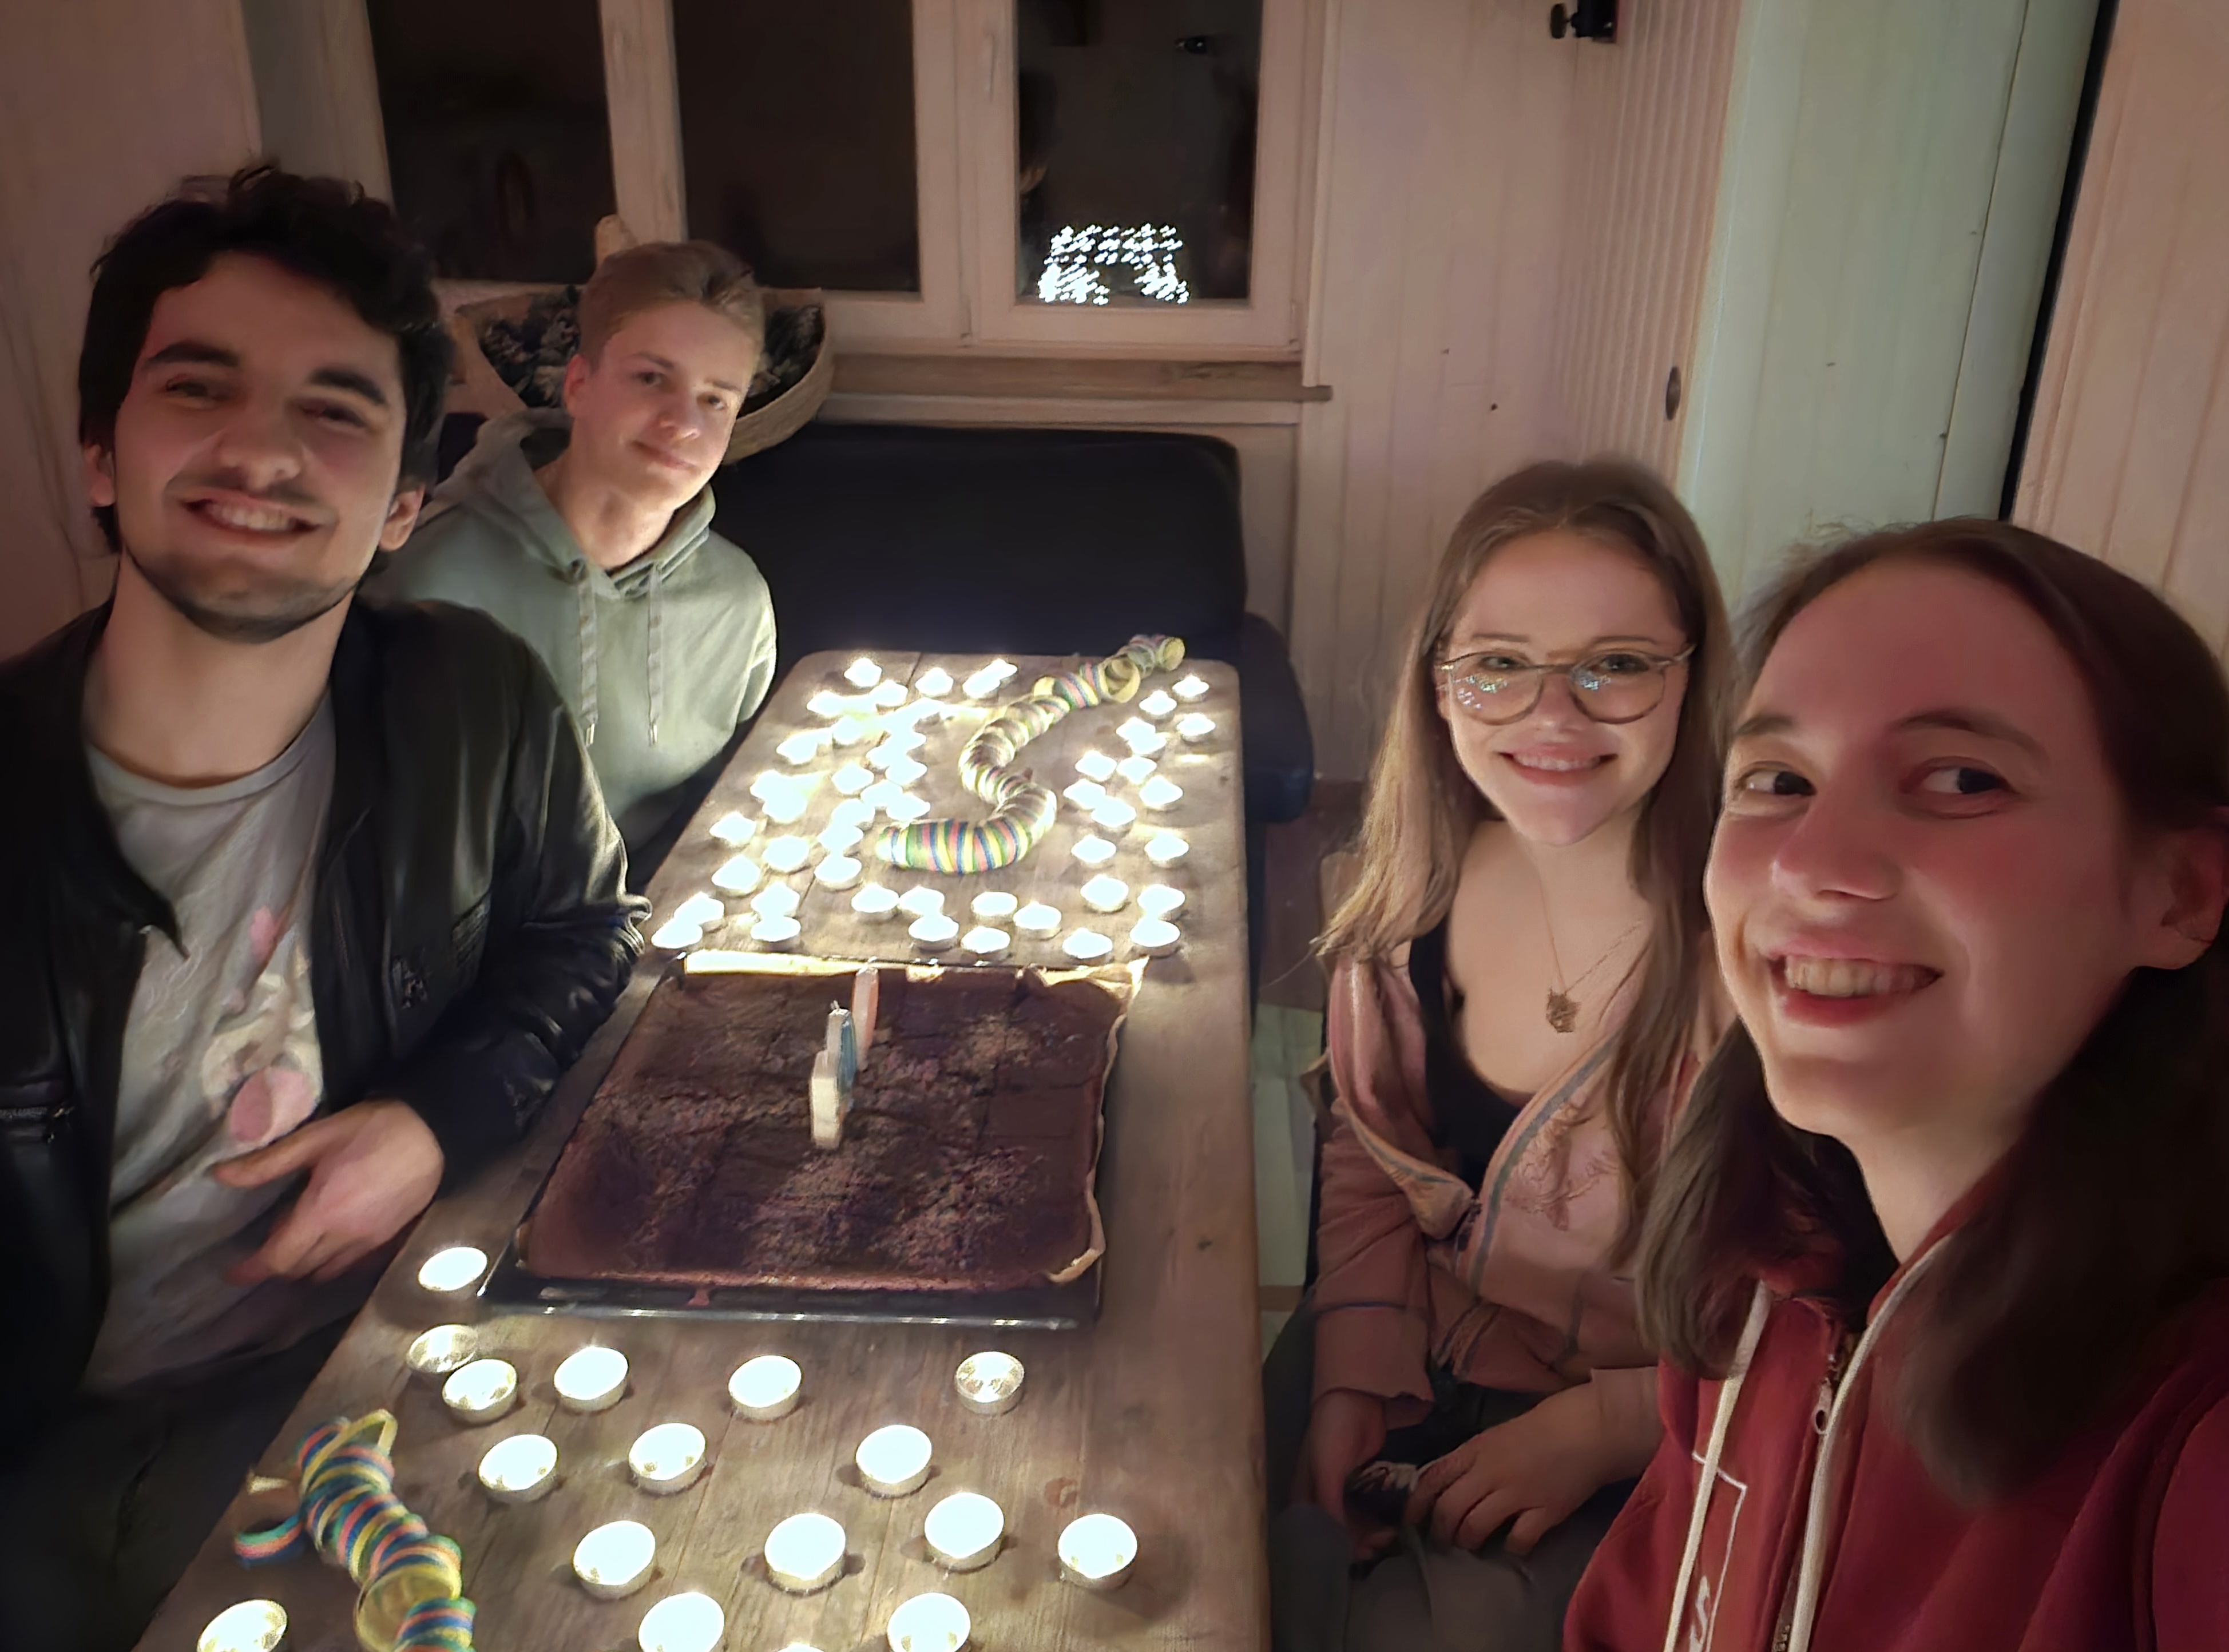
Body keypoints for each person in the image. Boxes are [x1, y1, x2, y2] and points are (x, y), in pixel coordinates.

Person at [0, 166, 646, 1652]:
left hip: (400, 1358)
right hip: (66, 1458)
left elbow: (585, 932)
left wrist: (430, 1120)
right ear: (99, 455)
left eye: (336, 411)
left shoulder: (473, 701)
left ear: (405, 501)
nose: (261, 449)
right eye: (198, 387)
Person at [1565, 521, 2229, 1651]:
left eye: (1962, 780)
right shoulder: (1755, 1266)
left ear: (2179, 892)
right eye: (1777, 780)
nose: (1808, 862)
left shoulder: (2194, 1439)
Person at [1268, 459, 1734, 1651]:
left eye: (1616, 663)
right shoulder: (1401, 907)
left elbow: (1830, 1298)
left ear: (1691, 677)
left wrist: (1614, 1425)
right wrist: (1349, 1371)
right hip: (1415, 1333)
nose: (1553, 716)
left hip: (1665, 1420)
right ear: (1439, 686)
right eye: (1498, 665)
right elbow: (1371, 1161)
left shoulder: (1753, 961)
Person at [373, 239, 778, 880]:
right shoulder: (428, 578)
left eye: (715, 399)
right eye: (651, 378)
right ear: (579, 384)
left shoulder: (737, 601)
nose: (683, 422)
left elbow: (734, 809)